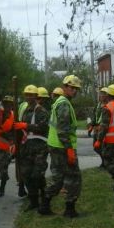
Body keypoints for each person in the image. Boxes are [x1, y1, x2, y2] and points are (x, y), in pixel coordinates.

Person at [39, 75, 82, 218]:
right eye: (72, 88)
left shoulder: (60, 101)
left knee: (58, 177)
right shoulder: (64, 103)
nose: (74, 91)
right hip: (62, 146)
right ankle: (70, 210)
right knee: (73, 177)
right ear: (65, 87)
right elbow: (63, 129)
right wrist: (69, 149)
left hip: (55, 145)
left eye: (76, 89)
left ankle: (44, 204)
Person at [14, 85, 49, 211]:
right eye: (27, 95)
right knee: (26, 174)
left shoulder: (41, 111)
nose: (29, 97)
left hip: (39, 148)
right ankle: (33, 201)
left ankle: (45, 198)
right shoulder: (25, 110)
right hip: (26, 147)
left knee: (37, 175)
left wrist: (26, 125)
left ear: (36, 96)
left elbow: (43, 127)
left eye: (31, 95)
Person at [95, 84, 114, 190]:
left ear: (109, 95)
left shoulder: (107, 108)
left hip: (111, 141)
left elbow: (104, 126)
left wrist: (98, 140)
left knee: (108, 161)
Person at [91, 87, 110, 170]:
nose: (101, 95)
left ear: (107, 95)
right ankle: (104, 162)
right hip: (96, 129)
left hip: (103, 129)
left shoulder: (108, 105)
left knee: (103, 148)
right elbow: (94, 115)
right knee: (96, 147)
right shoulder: (98, 105)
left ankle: (105, 164)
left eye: (103, 94)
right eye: (100, 94)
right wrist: (92, 125)